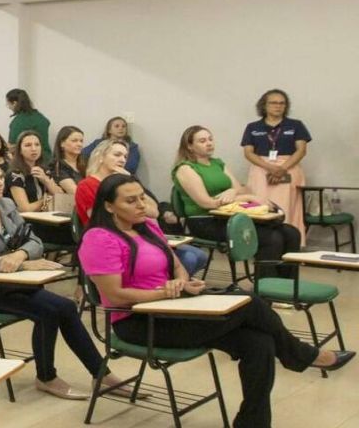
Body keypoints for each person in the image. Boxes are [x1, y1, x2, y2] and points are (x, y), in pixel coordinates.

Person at [81, 173, 352, 428]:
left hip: (175, 307)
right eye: (131, 201)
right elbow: (115, 295)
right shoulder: (99, 239)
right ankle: (302, 355)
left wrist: (183, 282)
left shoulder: (148, 226)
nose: (142, 205)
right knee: (251, 303)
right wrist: (166, 292)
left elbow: (175, 264)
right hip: (139, 321)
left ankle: (252, 423)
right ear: (109, 206)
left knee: (259, 343)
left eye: (142, 197)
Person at [0, 159, 133, 400]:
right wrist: (23, 263)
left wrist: (20, 254)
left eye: (0, 177)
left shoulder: (5, 205)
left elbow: (34, 241)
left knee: (65, 306)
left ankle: (101, 374)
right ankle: (47, 377)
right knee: (48, 312)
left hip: (10, 283)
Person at [172, 125, 300, 279]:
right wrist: (247, 198)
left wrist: (232, 192)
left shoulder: (217, 163)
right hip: (205, 221)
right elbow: (207, 203)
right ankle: (268, 290)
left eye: (210, 139)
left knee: (291, 233)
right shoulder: (185, 168)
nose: (209, 143)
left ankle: (287, 288)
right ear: (189, 146)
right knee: (271, 238)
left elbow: (240, 189)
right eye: (202, 141)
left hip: (229, 216)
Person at [78, 140, 209, 277]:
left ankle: (170, 283)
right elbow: (99, 219)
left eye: (125, 156)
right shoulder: (88, 185)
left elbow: (154, 211)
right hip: (116, 238)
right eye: (117, 155)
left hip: (141, 233)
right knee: (189, 257)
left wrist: (130, 179)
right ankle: (161, 284)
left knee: (200, 256)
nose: (122, 160)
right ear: (101, 157)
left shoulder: (126, 182)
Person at [241, 89, 310, 239]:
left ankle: (289, 243)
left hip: (288, 168)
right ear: (264, 105)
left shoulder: (296, 125)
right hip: (261, 169)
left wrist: (282, 169)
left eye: (282, 103)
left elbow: (301, 150)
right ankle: (260, 243)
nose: (278, 106)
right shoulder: (252, 127)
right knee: (260, 207)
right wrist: (270, 167)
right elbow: (248, 152)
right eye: (273, 103)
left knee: (287, 208)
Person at [7, 131, 63, 213]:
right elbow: (26, 209)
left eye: (37, 145)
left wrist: (46, 180)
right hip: (27, 221)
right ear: (20, 150)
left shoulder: (45, 170)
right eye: (28, 145)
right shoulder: (15, 174)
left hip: (47, 218)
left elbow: (61, 196)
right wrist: (47, 199)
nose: (34, 149)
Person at [6, 88, 51, 158]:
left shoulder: (18, 121)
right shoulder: (40, 117)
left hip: (29, 159)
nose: (8, 107)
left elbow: (12, 146)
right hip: (46, 157)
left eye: (8, 104)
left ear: (14, 103)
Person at [52, 126, 86, 195]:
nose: (79, 144)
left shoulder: (86, 163)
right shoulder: (57, 166)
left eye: (81, 141)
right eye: (74, 141)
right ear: (62, 143)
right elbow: (75, 193)